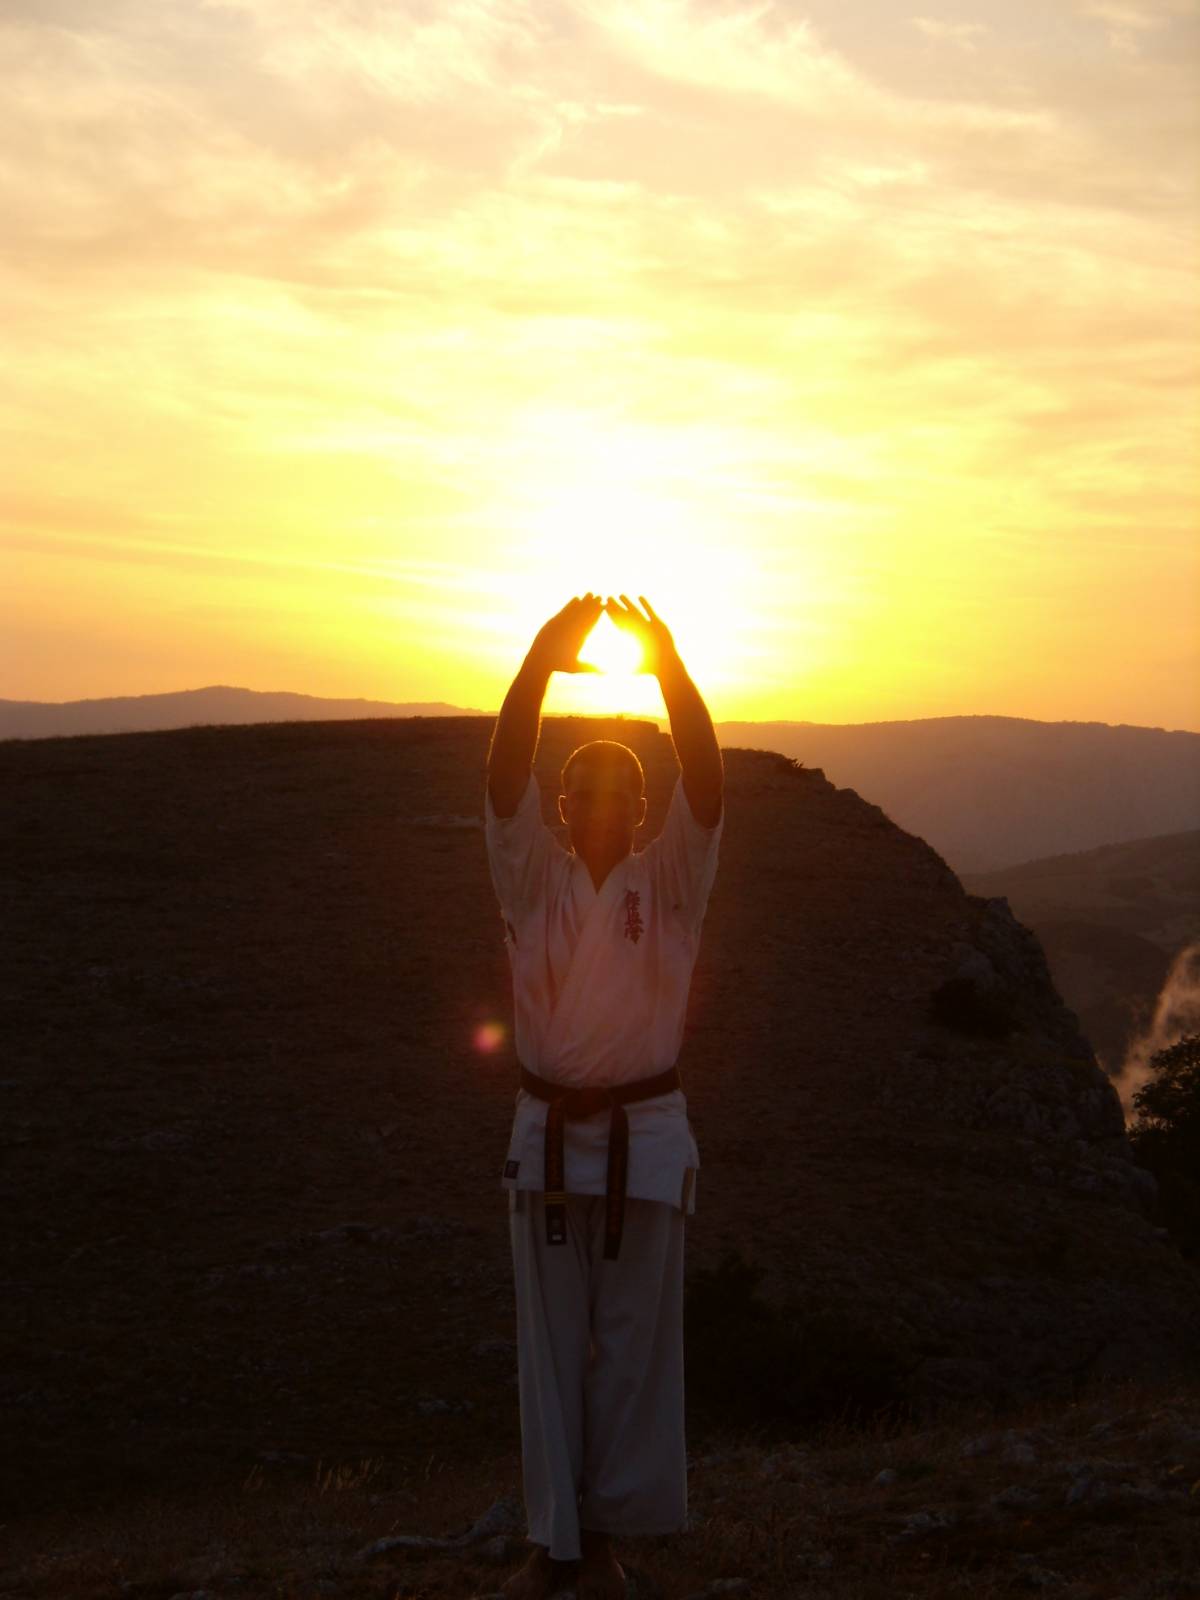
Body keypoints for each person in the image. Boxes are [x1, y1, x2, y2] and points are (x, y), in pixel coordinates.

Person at [483, 593, 725, 1600]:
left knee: (629, 1348)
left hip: (645, 1138)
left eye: (622, 792)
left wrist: (669, 670)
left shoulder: (668, 882)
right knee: (549, 1350)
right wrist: (539, 662)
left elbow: (707, 784)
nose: (601, 804)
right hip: (547, 1135)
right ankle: (555, 1545)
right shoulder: (530, 879)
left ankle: (608, 1540)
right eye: (584, 788)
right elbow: (501, 776)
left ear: (640, 810)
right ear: (560, 803)